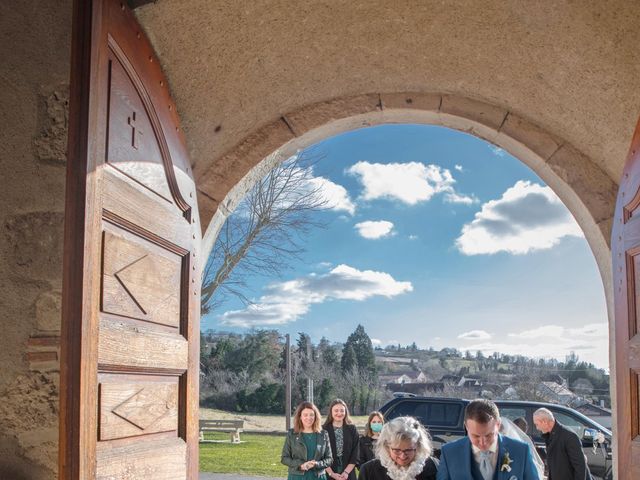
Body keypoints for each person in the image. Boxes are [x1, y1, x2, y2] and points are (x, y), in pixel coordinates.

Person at [437, 399, 540, 480]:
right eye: (476, 436)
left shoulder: (521, 451)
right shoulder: (450, 453)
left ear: (498, 425)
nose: (483, 442)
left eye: (489, 435)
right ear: (466, 427)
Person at [358, 416, 439, 480]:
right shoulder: (369, 471)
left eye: (408, 450)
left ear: (418, 446)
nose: (403, 456)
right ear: (387, 447)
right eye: (397, 450)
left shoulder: (433, 467)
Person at [533, 407, 591, 480]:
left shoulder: (569, 436)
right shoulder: (550, 435)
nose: (537, 428)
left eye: (537, 424)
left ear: (544, 422)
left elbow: (580, 466)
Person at [282, 401, 333, 479]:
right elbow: (284, 458)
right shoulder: (292, 434)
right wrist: (301, 465)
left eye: (311, 415)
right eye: (305, 415)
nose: (309, 418)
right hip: (296, 477)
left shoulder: (323, 434)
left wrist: (317, 464)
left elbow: (329, 459)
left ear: (315, 417)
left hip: (318, 477)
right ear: (300, 417)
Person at [324, 399, 360, 480]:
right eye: (336, 410)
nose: (339, 413)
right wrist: (332, 474)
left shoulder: (352, 429)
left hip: (348, 473)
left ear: (345, 412)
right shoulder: (324, 430)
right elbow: (321, 455)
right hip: (328, 472)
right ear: (331, 412)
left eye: (342, 410)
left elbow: (355, 453)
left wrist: (346, 472)